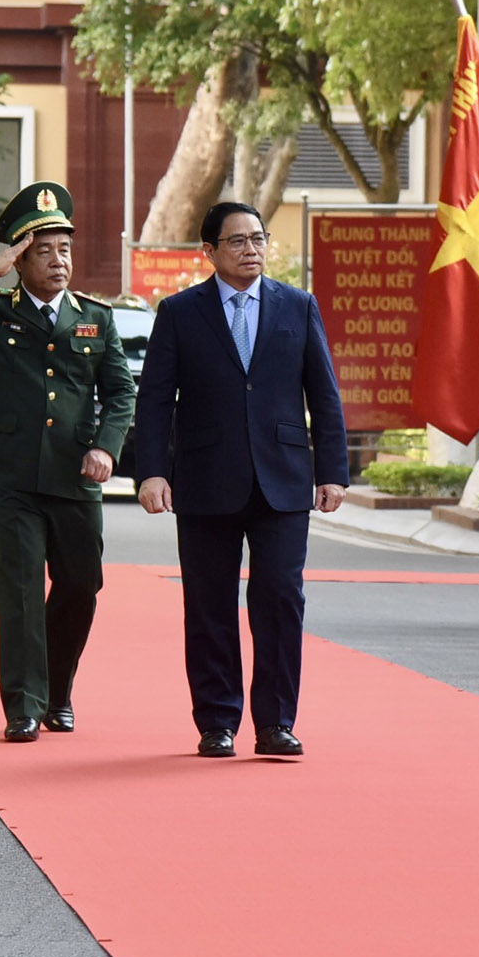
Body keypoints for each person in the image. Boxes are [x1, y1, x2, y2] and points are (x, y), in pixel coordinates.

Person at [0, 182, 135, 743]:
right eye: (43, 250)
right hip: (9, 471)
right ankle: (23, 703)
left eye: (64, 248)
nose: (59, 260)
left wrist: (105, 447)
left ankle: (58, 692)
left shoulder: (97, 318)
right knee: (18, 589)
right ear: (19, 259)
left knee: (81, 584)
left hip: (74, 470)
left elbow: (120, 392)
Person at [135, 202, 348, 760]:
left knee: (281, 597)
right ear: (209, 251)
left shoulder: (297, 307)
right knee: (209, 604)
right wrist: (153, 470)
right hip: (205, 478)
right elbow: (156, 397)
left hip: (282, 479)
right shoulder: (180, 312)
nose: (251, 249)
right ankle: (217, 721)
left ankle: (276, 722)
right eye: (237, 241)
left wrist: (333, 472)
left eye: (258, 239)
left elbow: (323, 395)